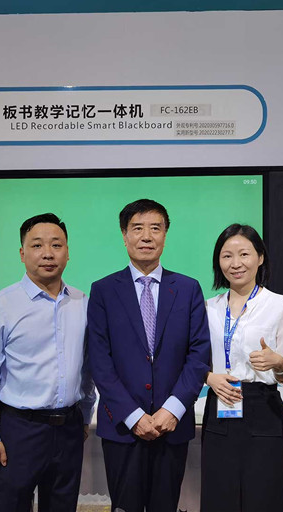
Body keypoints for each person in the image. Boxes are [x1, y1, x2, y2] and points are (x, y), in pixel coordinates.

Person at [87, 198, 211, 512]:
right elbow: (99, 361)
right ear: (124, 235)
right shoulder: (103, 291)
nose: (146, 236)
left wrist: (172, 409)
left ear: (165, 235)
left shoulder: (188, 289)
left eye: (155, 228)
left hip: (172, 426)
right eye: (137, 228)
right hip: (123, 428)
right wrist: (134, 416)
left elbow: (198, 355)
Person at [0, 213, 96, 512]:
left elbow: (87, 368)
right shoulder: (0, 306)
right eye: (37, 245)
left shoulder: (82, 303)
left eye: (56, 245)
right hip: (19, 430)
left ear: (68, 252)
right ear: (22, 253)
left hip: (69, 428)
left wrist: (84, 416)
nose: (48, 253)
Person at [201, 224, 283, 512]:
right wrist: (209, 377)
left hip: (263, 407)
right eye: (227, 256)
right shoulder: (208, 308)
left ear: (260, 257)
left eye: (244, 254)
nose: (236, 263)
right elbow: (194, 360)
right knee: (219, 498)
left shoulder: (280, 305)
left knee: (263, 498)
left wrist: (278, 362)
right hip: (220, 403)